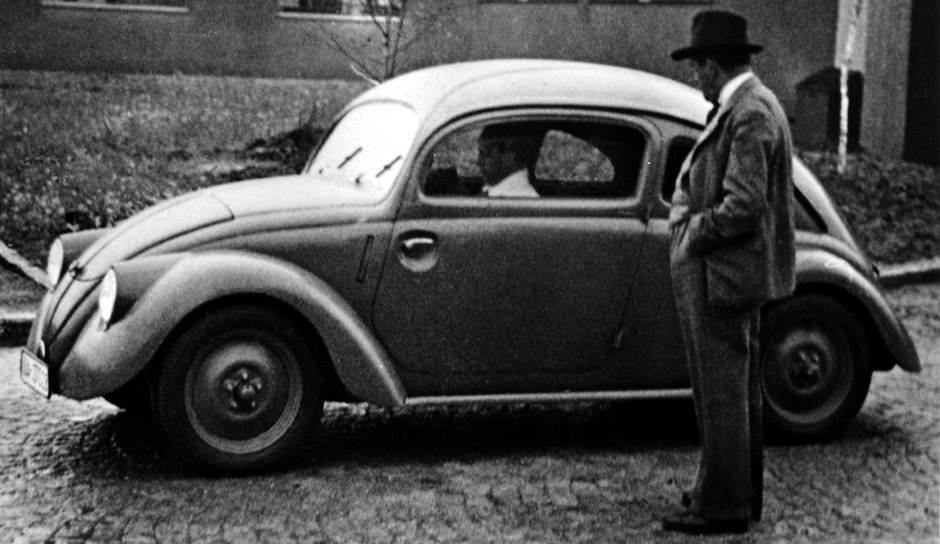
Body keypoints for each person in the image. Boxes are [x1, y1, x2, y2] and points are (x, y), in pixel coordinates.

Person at [664, 10, 796, 536]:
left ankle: (722, 506)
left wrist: (693, 232)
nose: (695, 76)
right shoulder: (749, 106)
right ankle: (729, 491)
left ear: (714, 67)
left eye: (697, 66)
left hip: (723, 275)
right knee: (732, 392)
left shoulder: (749, 113)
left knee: (721, 394)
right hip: (729, 273)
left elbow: (743, 204)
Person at [477, 124, 540, 198]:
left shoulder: (518, 197)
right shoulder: (497, 190)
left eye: (486, 154)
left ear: (509, 158)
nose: (479, 162)